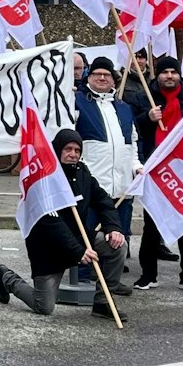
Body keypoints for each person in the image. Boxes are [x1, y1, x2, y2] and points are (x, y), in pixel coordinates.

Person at [0, 130, 127, 320]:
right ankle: (6, 277)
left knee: (118, 245)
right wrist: (78, 251)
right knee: (44, 306)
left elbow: (103, 201)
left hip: (80, 240)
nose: (73, 154)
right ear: (57, 150)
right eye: (68, 149)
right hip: (49, 249)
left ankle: (103, 302)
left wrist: (113, 228)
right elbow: (52, 223)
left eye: (77, 150)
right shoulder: (44, 179)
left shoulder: (83, 173)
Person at [127, 55, 183, 291]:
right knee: (152, 223)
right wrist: (147, 118)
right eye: (164, 72)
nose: (169, 76)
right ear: (156, 75)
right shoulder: (143, 98)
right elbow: (130, 128)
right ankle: (148, 274)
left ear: (179, 74)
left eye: (173, 72)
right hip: (155, 168)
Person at [73, 56, 139, 297]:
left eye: (107, 74)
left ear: (114, 79)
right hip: (91, 185)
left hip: (121, 185)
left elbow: (131, 142)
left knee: (118, 235)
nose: (102, 78)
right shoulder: (77, 102)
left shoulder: (123, 108)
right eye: (97, 74)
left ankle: (111, 280)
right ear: (88, 77)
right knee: (88, 232)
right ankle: (82, 276)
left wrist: (136, 166)